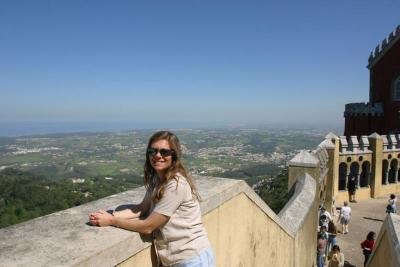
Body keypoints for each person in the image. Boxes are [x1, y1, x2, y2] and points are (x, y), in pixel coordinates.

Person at [89, 131, 215, 267]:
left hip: (191, 258)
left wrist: (112, 221)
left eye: (164, 152)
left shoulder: (175, 185)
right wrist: (110, 215)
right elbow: (142, 208)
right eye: (152, 151)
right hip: (179, 259)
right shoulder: (156, 179)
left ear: (174, 155)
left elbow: (148, 227)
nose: (157, 155)